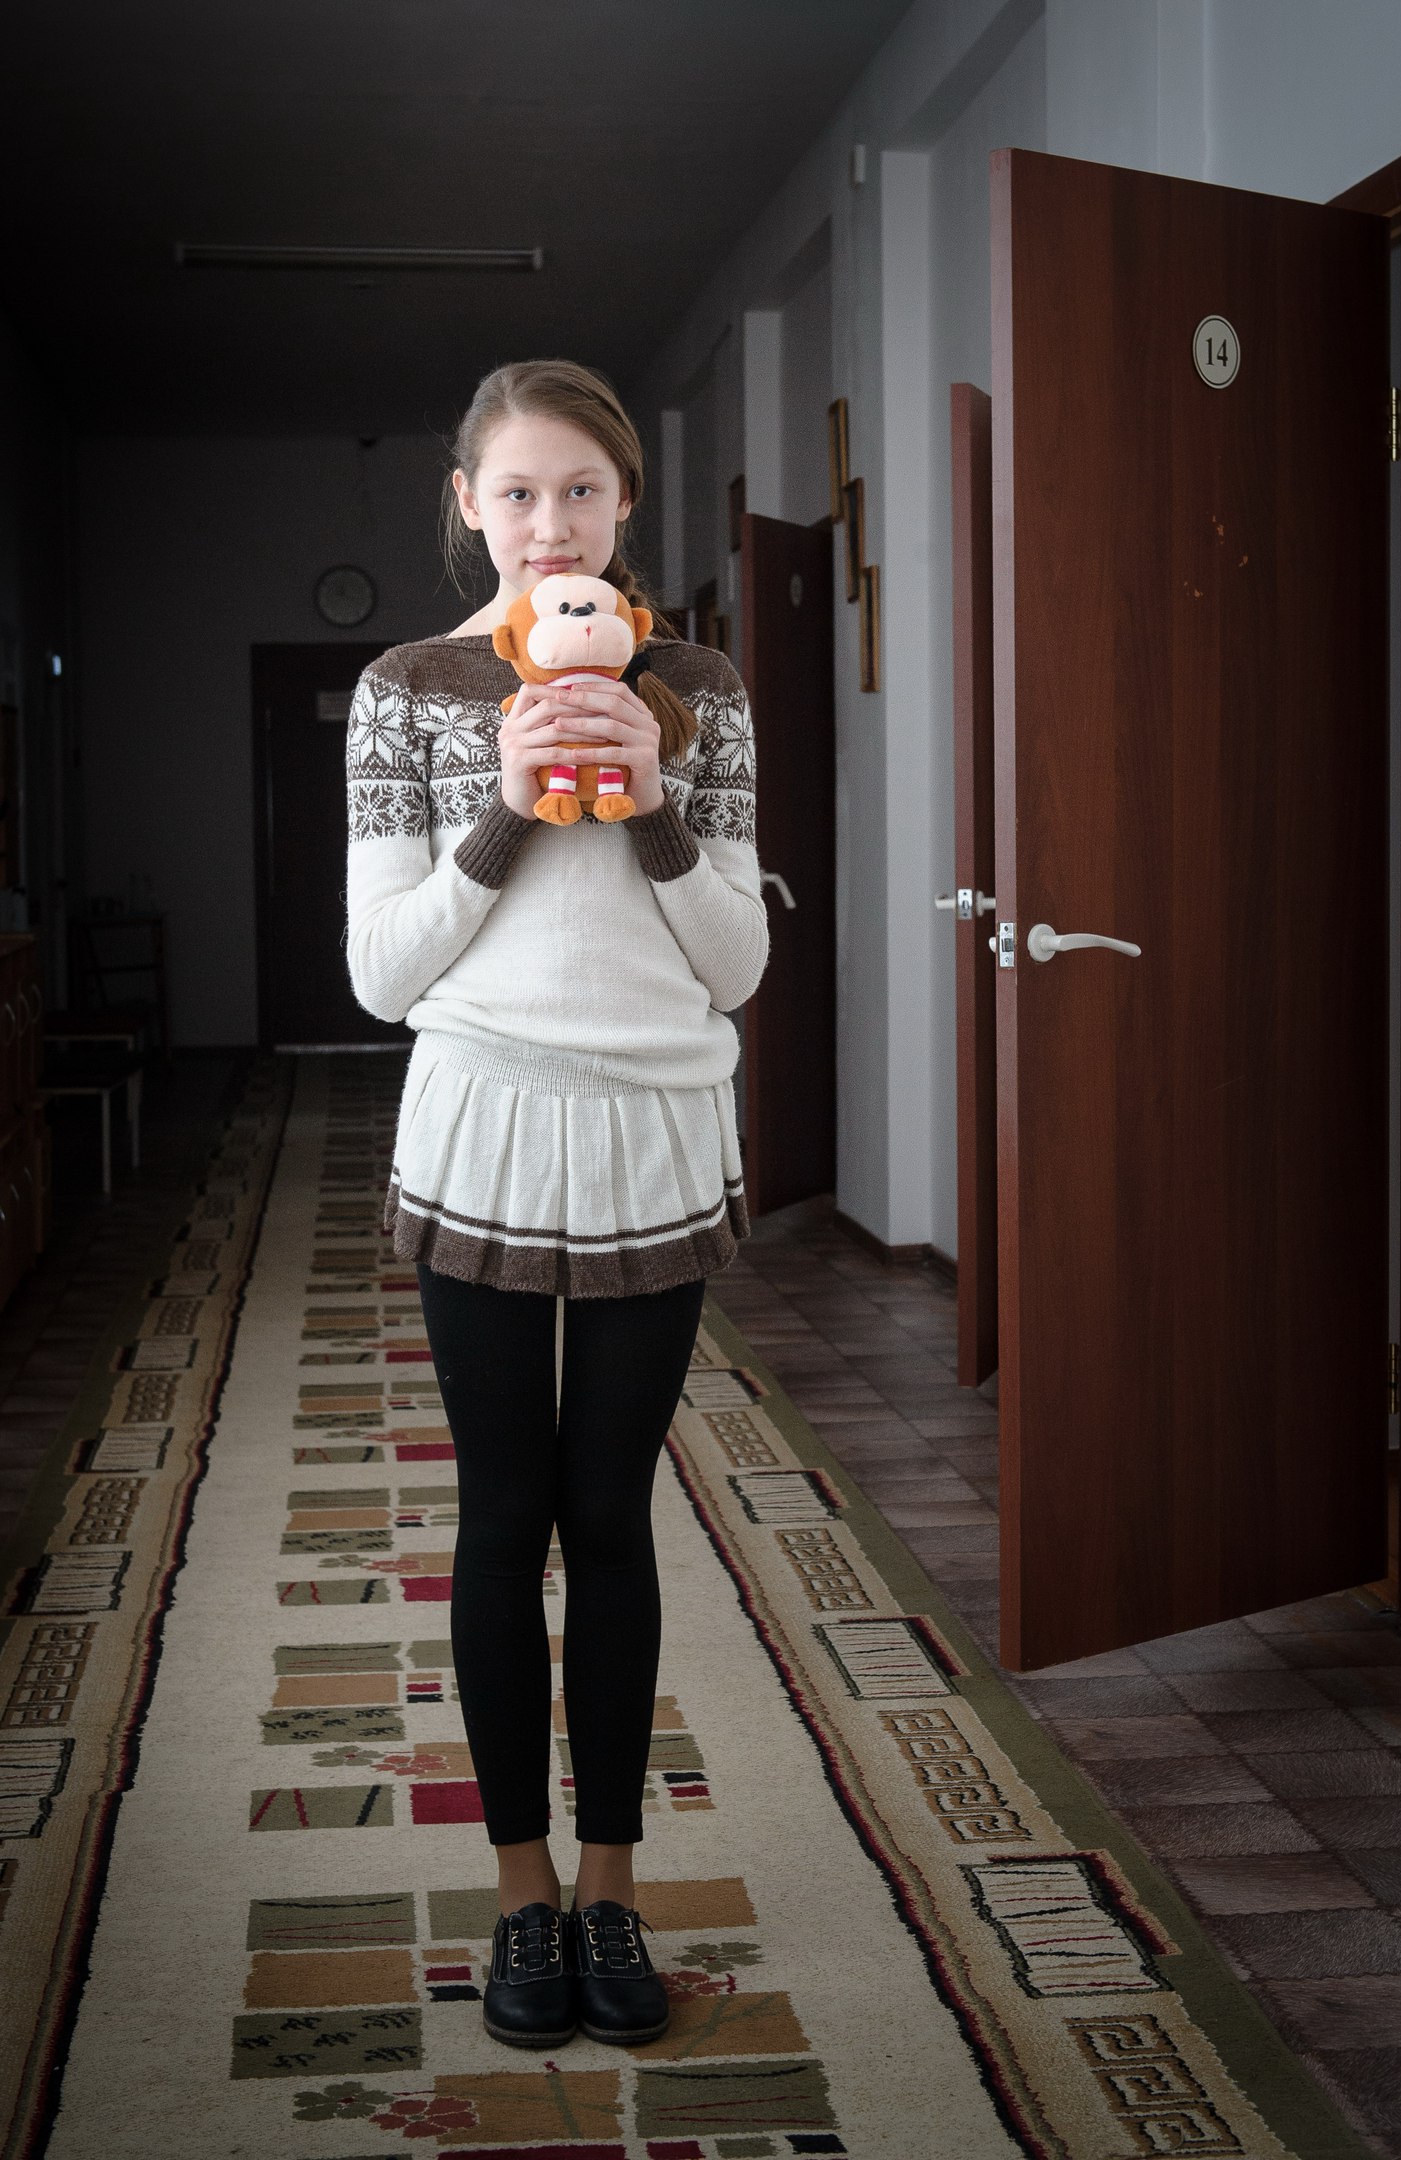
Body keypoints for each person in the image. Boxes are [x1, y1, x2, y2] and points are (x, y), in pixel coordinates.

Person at [343, 359, 768, 2050]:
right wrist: (506, 813)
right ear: (468, 503)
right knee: (502, 1517)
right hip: (485, 1135)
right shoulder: (405, 690)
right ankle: (521, 1896)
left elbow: (734, 964)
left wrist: (650, 797)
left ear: (624, 502)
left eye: (580, 490)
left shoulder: (699, 688)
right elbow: (379, 976)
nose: (549, 525)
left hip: (656, 1132)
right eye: (516, 492)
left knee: (613, 1517)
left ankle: (611, 1891)